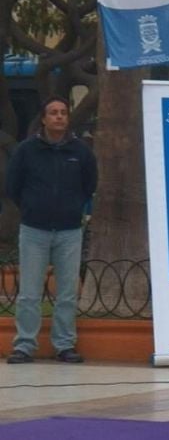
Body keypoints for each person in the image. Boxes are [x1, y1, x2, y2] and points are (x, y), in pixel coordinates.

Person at [5, 95, 97, 364]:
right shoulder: (26, 150)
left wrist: (73, 206)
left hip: (69, 230)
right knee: (29, 292)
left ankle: (65, 345)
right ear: (43, 119)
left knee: (67, 292)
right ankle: (24, 346)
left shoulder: (80, 152)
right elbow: (13, 186)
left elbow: (89, 184)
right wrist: (32, 208)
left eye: (63, 113)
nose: (59, 117)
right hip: (34, 230)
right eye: (53, 112)